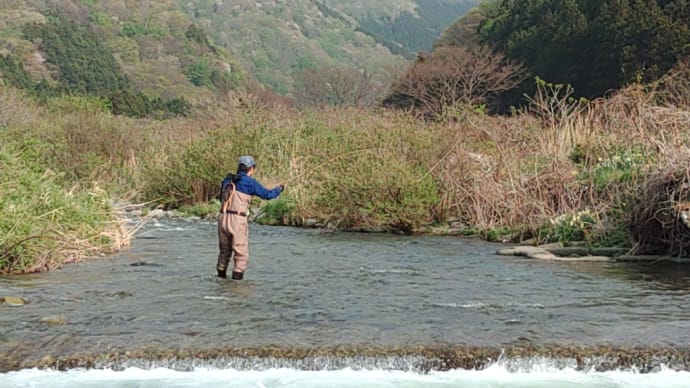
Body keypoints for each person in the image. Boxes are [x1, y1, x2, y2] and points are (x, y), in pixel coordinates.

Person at [217, 155, 285, 280]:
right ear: (250, 168)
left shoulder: (228, 179)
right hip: (237, 220)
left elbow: (220, 197)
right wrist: (279, 189)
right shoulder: (249, 182)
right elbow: (267, 194)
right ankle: (236, 287)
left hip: (222, 218)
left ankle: (220, 281)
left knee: (224, 251)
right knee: (241, 254)